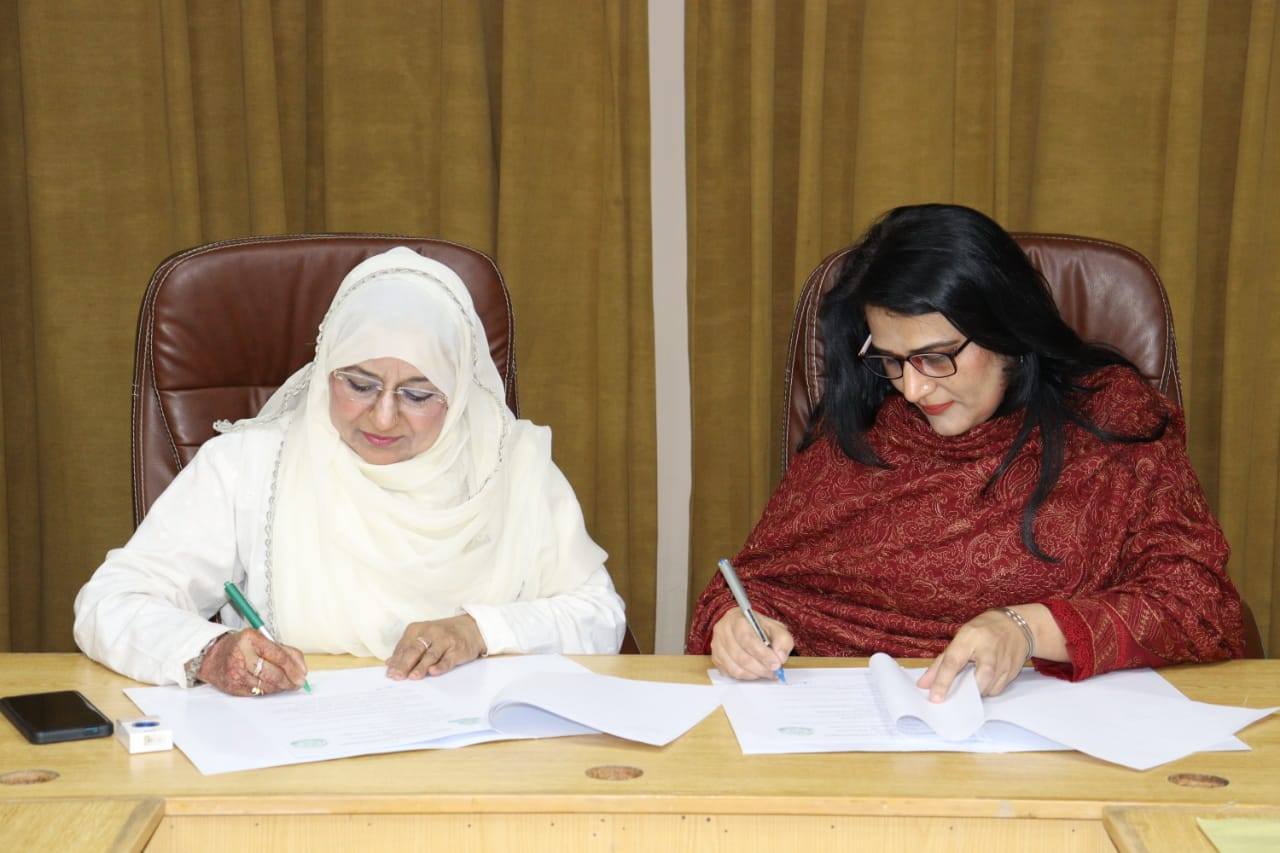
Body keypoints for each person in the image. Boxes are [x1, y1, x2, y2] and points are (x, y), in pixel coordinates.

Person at [687, 203, 1244, 701]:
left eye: (935, 357)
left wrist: (1026, 629)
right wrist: (736, 625)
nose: (912, 389)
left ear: (1006, 331)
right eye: (891, 360)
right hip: (843, 721)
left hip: (1041, 729)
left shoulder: (1110, 422)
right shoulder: (866, 424)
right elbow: (752, 585)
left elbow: (1198, 606)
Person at [75, 247, 626, 695]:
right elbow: (111, 602)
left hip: (480, 762)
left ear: (458, 393)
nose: (382, 417)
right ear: (326, 370)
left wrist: (480, 630)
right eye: (359, 384)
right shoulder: (250, 465)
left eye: (418, 394)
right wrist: (211, 652)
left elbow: (599, 616)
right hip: (295, 756)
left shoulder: (514, 467)